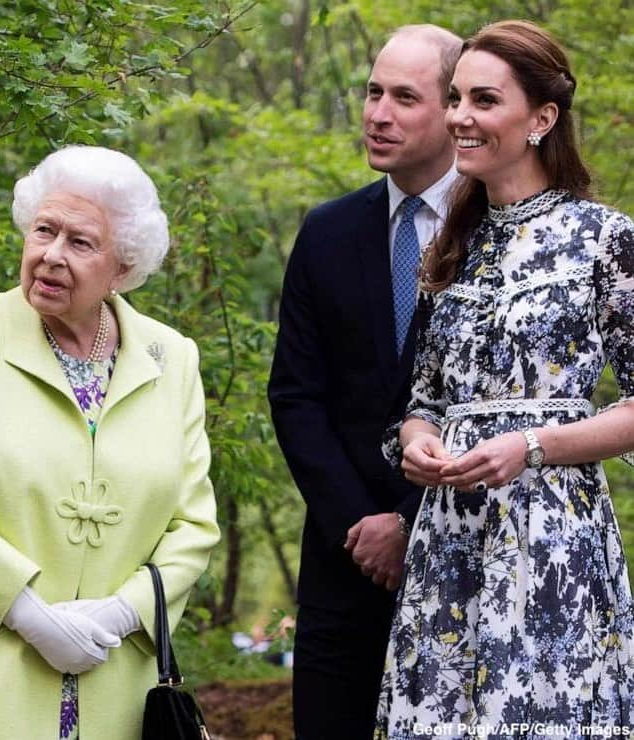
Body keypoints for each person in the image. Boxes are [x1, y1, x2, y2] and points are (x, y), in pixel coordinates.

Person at [0, 145, 220, 740]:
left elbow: (193, 524)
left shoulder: (171, 357)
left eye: (79, 242)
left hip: (116, 679)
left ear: (122, 268)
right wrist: (28, 613)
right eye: (44, 231)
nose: (50, 255)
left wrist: (122, 612)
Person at [375, 20, 634, 736]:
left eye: (483, 100)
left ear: (541, 119)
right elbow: (423, 402)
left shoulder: (603, 238)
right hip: (449, 541)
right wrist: (420, 441)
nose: (459, 116)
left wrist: (534, 446)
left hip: (552, 538)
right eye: (455, 98)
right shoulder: (452, 242)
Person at [268, 25, 463, 739]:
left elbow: (506, 401)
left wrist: (410, 523)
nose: (378, 113)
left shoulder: (501, 232)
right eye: (373, 92)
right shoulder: (326, 231)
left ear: (455, 110)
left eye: (404, 97)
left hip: (462, 555)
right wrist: (363, 525)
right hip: (341, 561)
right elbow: (294, 394)